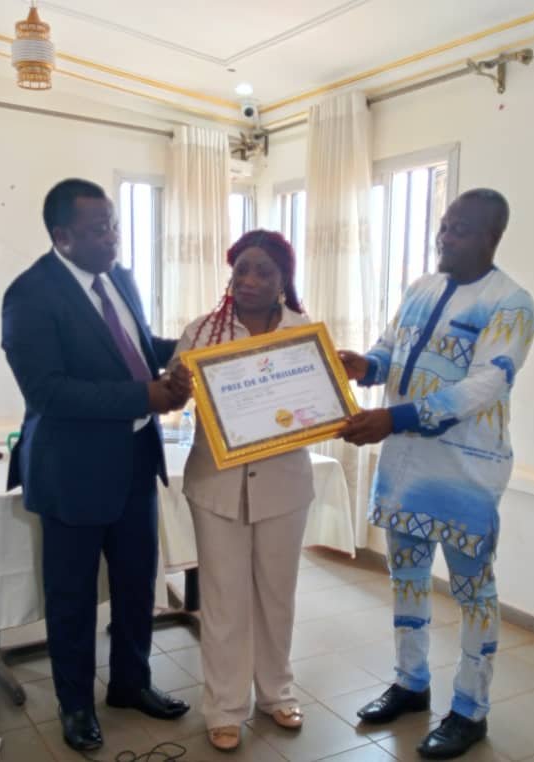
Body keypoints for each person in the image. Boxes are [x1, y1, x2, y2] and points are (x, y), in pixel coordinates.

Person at [338, 189, 534, 760]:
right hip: (405, 467)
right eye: (444, 225)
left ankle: (470, 710)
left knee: (474, 592)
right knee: (406, 579)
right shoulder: (421, 288)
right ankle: (411, 683)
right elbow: (389, 351)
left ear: (491, 237)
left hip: (464, 475)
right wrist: (363, 366)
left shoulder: (511, 304)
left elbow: (484, 386)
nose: (444, 236)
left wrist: (394, 417)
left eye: (460, 229)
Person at [1, 178, 193, 753]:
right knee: (73, 598)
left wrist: (193, 347)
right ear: (62, 236)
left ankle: (132, 684)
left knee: (136, 586)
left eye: (114, 225)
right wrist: (144, 397)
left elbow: (136, 346)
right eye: (99, 230)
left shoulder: (120, 279)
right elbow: (48, 391)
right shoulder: (29, 295)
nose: (113, 238)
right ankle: (76, 705)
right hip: (73, 472)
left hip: (136, 460)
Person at [168, 230, 314, 751]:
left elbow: (315, 404)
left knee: (277, 594)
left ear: (283, 280)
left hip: (284, 483)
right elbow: (174, 397)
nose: (249, 280)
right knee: (224, 598)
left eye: (263, 272)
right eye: (241, 270)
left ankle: (276, 693)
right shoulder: (202, 332)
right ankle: (225, 707)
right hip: (217, 484)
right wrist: (175, 385)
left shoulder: (303, 335)